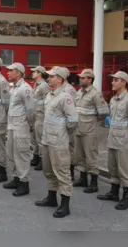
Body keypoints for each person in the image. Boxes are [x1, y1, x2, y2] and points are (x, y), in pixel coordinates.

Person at [35, 66, 78, 218]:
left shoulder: (65, 97)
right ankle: (51, 197)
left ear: (60, 79)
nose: (49, 78)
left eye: (52, 76)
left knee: (62, 172)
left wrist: (62, 132)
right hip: (47, 139)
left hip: (58, 141)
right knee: (48, 170)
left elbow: (73, 121)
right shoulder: (50, 95)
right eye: (49, 76)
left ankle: (65, 204)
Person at [97, 71, 128, 210]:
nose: (112, 82)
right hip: (113, 139)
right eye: (113, 80)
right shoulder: (114, 99)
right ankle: (114, 192)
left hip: (124, 141)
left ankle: (126, 198)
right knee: (113, 167)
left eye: (116, 80)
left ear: (123, 82)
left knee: (125, 169)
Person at [73, 69, 109, 193]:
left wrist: (92, 121)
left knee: (91, 156)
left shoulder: (95, 94)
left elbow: (104, 112)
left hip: (89, 130)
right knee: (79, 155)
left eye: (83, 78)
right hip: (78, 129)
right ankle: (83, 179)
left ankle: (94, 182)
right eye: (80, 77)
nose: (80, 79)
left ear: (90, 79)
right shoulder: (79, 93)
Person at [3, 63, 34, 197]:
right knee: (11, 154)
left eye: (11, 71)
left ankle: (24, 182)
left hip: (21, 127)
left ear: (19, 73)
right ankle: (16, 178)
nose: (8, 73)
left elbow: (30, 110)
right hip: (12, 126)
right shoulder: (14, 88)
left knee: (21, 155)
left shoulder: (25, 89)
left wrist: (30, 124)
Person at [30, 66, 50, 171]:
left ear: (40, 73)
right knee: (34, 138)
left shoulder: (44, 86)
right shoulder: (36, 85)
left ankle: (43, 160)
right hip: (35, 115)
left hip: (41, 115)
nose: (32, 73)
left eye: (35, 72)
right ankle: (36, 156)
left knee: (40, 139)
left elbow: (47, 102)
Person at [61, 67, 78, 181]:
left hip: (68, 127)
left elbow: (71, 110)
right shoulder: (57, 89)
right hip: (59, 128)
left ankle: (70, 171)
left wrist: (69, 127)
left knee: (69, 148)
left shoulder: (69, 90)